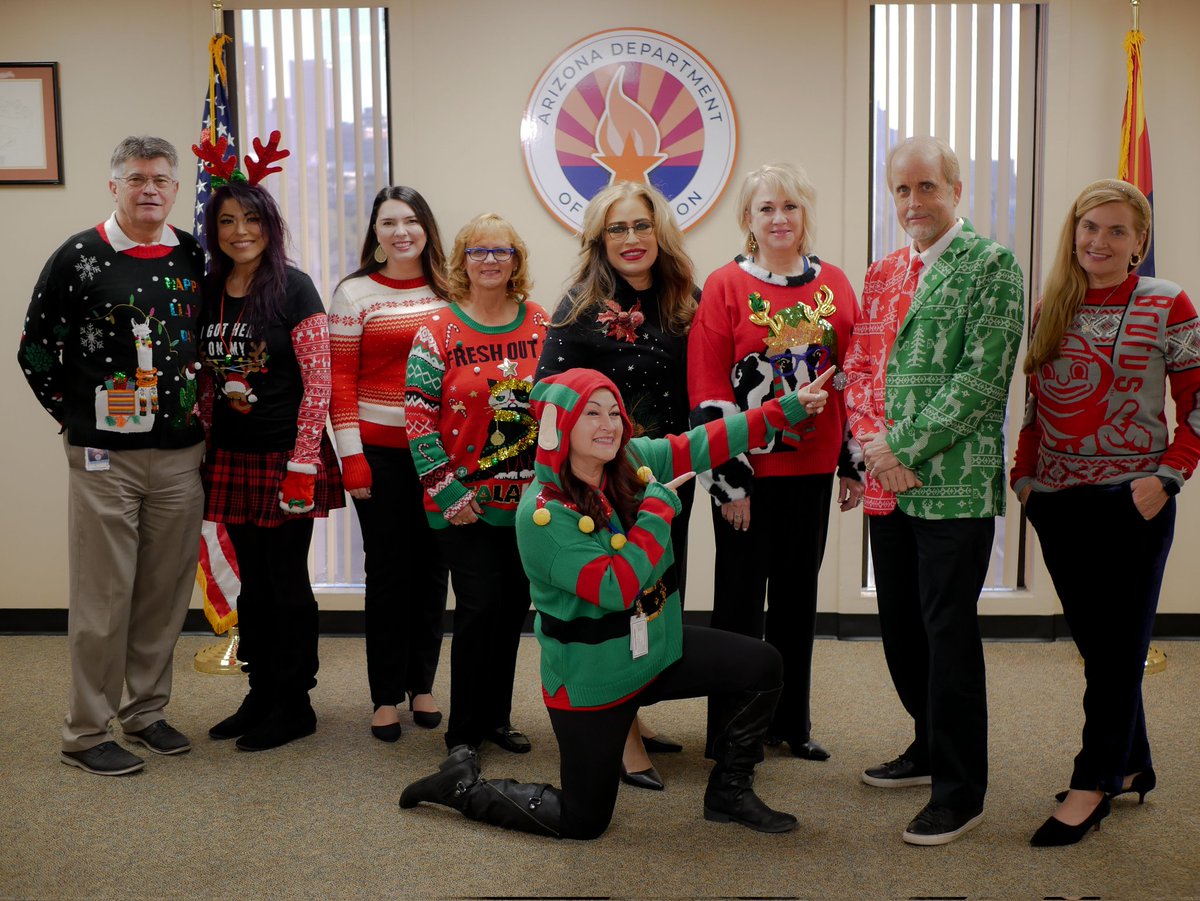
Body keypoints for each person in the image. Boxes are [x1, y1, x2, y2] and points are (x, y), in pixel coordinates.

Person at [398, 366, 833, 839]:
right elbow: (615, 588)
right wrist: (658, 512)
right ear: (558, 426)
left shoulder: (630, 462)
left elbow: (699, 443)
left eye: (614, 413)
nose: (609, 425)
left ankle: (730, 791)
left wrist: (783, 410)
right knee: (583, 822)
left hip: (655, 651)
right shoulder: (542, 515)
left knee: (762, 665)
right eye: (591, 414)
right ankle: (461, 785)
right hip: (594, 678)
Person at [842, 136, 1024, 845]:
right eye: (901, 191)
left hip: (952, 486)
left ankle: (960, 789)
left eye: (926, 188)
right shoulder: (885, 270)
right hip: (891, 485)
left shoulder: (992, 266)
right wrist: (873, 449)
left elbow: (980, 383)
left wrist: (898, 446)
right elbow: (858, 368)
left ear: (955, 188)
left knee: (948, 635)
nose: (912, 203)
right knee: (902, 630)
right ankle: (925, 745)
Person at [1010, 179, 1199, 847]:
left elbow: (1198, 401)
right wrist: (1025, 479)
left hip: (1133, 503)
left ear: (1139, 242)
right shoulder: (1051, 307)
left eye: (1117, 230)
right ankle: (1132, 763)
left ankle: (1092, 780)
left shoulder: (1167, 302)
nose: (1100, 240)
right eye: (1090, 227)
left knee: (1117, 654)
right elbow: (1036, 406)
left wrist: (1167, 477)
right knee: (1104, 652)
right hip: (1057, 502)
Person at [19, 136, 206, 776]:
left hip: (181, 455)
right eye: (136, 178)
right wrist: (77, 419)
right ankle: (85, 730)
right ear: (115, 187)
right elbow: (36, 350)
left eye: (160, 178)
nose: (149, 188)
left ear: (175, 189)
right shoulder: (79, 256)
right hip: (104, 457)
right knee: (104, 596)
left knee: (162, 591)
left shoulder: (193, 255)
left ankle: (146, 711)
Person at [688, 163, 863, 762]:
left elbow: (851, 380)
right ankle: (733, 733)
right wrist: (730, 484)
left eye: (790, 206)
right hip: (750, 481)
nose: (779, 218)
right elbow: (709, 390)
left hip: (811, 472)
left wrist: (850, 462)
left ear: (805, 215)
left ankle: (790, 722)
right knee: (739, 607)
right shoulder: (724, 286)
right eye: (766, 208)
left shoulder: (836, 283)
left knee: (797, 601)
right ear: (748, 220)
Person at [535, 181, 697, 790]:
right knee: (619, 601)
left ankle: (634, 711)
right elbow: (549, 399)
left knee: (658, 593)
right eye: (617, 229)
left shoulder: (685, 298)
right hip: (607, 484)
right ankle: (622, 737)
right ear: (600, 240)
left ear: (660, 233)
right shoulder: (578, 306)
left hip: (668, 476)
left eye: (640, 227)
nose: (631, 240)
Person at [194, 134, 345, 751]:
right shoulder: (209, 288)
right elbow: (205, 382)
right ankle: (259, 693)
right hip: (229, 457)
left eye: (251, 218)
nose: (239, 231)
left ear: (269, 225)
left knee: (286, 583)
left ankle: (295, 701)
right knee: (252, 584)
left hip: (287, 456)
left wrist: (303, 463)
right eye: (227, 220)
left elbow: (319, 382)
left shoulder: (295, 287)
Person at [404, 213, 547, 754]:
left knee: (512, 613)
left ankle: (496, 719)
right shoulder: (436, 330)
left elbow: (558, 409)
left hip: (529, 504)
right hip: (462, 505)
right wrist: (449, 493)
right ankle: (463, 731)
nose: (490, 261)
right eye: (479, 251)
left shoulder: (541, 324)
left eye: (502, 251)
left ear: (516, 260)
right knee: (478, 610)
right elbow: (417, 420)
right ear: (462, 260)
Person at [329, 187, 451, 741]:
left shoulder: (454, 291)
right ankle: (384, 695)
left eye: (410, 221)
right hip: (377, 455)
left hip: (440, 457)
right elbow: (340, 383)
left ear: (426, 228)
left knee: (432, 572)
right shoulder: (354, 294)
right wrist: (351, 458)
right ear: (375, 234)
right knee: (387, 574)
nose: (401, 231)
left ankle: (421, 685)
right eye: (388, 223)